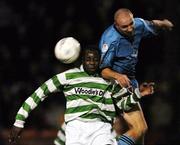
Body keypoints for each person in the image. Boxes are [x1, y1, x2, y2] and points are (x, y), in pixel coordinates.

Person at [9, 45, 153, 145]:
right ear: (82, 60)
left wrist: (138, 93)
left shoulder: (110, 81)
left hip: (101, 127)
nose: (92, 62)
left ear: (100, 61)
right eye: (88, 59)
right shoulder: (68, 76)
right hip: (75, 128)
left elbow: (123, 105)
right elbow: (39, 94)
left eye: (95, 59)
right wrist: (19, 122)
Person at [99, 8, 173, 144]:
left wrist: (164, 23)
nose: (129, 28)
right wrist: (117, 76)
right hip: (115, 85)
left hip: (130, 82)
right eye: (124, 26)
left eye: (130, 24)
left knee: (140, 132)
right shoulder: (110, 40)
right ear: (116, 25)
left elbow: (151, 24)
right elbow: (103, 71)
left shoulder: (137, 24)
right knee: (139, 128)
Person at [53, 81, 154, 145]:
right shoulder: (69, 125)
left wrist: (138, 94)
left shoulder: (107, 130)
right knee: (140, 129)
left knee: (140, 129)